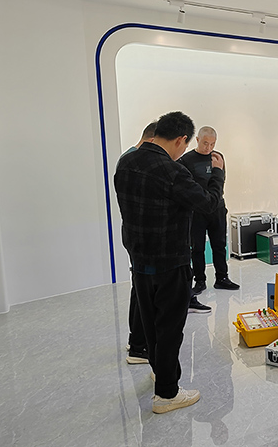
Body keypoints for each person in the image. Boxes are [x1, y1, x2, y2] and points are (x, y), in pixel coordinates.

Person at [114, 111, 225, 414]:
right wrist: (218, 175)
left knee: (151, 324)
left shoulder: (126, 162)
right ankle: (167, 393)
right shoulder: (172, 171)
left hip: (139, 260)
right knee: (170, 329)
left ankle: (158, 370)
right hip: (171, 262)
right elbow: (208, 204)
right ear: (181, 140)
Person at [178, 126, 239, 315]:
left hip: (217, 208)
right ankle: (200, 280)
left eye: (212, 144)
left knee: (219, 244)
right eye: (205, 143)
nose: (208, 147)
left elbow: (221, 180)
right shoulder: (186, 160)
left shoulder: (218, 157)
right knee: (197, 247)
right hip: (197, 210)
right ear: (197, 140)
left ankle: (222, 278)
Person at [117, 122, 157, 365]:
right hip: (142, 238)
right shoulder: (135, 161)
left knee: (139, 289)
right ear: (153, 140)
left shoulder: (127, 159)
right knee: (144, 292)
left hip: (134, 236)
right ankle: (139, 347)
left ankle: (137, 341)